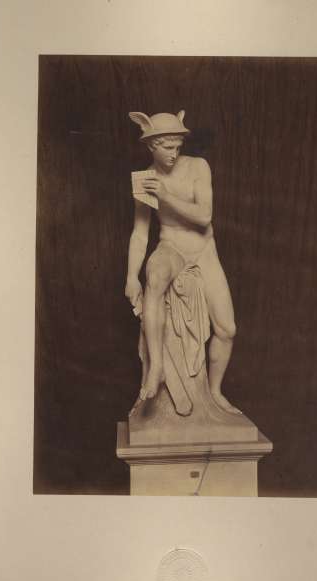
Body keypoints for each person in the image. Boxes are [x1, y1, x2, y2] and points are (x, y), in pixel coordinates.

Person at [125, 110, 240, 415]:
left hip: (203, 250)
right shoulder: (145, 181)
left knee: (227, 329)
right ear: (152, 146)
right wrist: (130, 276)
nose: (174, 153)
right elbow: (140, 234)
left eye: (177, 146)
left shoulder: (198, 167)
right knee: (154, 276)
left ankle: (215, 392)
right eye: (167, 147)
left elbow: (204, 216)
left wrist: (165, 196)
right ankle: (156, 369)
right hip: (172, 246)